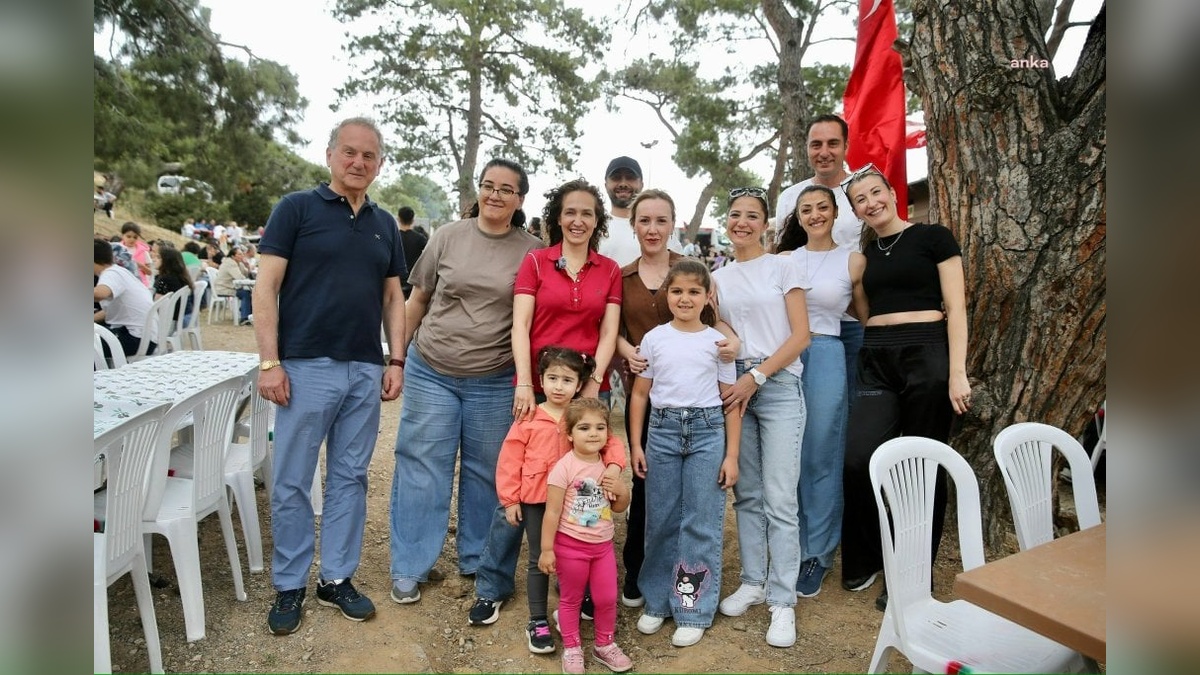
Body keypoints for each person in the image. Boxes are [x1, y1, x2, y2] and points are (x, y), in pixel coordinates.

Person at [254, 116, 407, 636]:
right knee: (293, 479)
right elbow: (265, 287)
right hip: (304, 366)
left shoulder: (385, 225)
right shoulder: (296, 209)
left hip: (364, 368)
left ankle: (336, 577)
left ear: (380, 163)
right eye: (349, 152)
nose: (358, 162)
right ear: (330, 155)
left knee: (350, 477)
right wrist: (270, 362)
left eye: (369, 155)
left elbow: (393, 296)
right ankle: (290, 583)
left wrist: (396, 360)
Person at [389, 158, 544, 604]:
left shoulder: (533, 251)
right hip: (432, 369)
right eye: (488, 185)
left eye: (506, 189)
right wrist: (396, 358)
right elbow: (418, 300)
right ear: (479, 190)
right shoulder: (447, 236)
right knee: (422, 465)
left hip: (495, 378)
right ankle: (411, 565)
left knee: (487, 472)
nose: (495, 194)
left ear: (520, 199)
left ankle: (477, 558)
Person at [838, 165, 971, 612]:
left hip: (927, 354)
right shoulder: (866, 254)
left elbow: (956, 307)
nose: (871, 202)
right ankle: (869, 557)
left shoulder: (934, 237)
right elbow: (864, 312)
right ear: (856, 211)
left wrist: (957, 372)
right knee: (858, 459)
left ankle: (912, 572)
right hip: (876, 356)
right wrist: (858, 282)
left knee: (921, 465)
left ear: (892, 193)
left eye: (876, 192)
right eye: (861, 199)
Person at [613, 189, 739, 610]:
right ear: (634, 225)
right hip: (646, 391)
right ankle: (642, 577)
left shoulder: (692, 271)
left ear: (672, 224)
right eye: (644, 220)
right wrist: (626, 350)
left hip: (698, 400)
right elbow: (609, 327)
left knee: (694, 503)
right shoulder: (621, 276)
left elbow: (716, 320)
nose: (652, 229)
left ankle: (687, 594)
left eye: (661, 220)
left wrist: (733, 341)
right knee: (650, 494)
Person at [466, 347, 625, 655]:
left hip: (576, 502)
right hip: (537, 501)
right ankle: (538, 619)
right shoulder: (528, 417)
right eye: (552, 378)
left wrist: (614, 467)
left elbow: (612, 442)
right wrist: (510, 500)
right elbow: (509, 461)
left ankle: (573, 604)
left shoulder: (581, 416)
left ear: (579, 385)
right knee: (540, 558)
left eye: (567, 380)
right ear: (541, 381)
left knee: (578, 552)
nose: (558, 386)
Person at [711, 187, 811, 648]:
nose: (742, 223)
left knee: (780, 498)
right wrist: (737, 363)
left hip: (778, 385)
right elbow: (720, 326)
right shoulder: (719, 277)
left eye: (752, 216)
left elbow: (801, 335)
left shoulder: (783, 266)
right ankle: (753, 580)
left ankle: (782, 599)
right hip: (736, 388)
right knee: (747, 494)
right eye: (735, 215)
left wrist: (758, 376)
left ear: (765, 224)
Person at [628, 259, 740, 648]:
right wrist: (636, 444)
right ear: (667, 295)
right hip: (662, 432)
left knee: (700, 520)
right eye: (677, 291)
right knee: (660, 518)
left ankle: (692, 607)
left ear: (708, 296)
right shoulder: (654, 339)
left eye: (694, 291)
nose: (685, 298)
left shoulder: (718, 343)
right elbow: (640, 394)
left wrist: (732, 455)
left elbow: (730, 403)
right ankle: (658, 600)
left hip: (708, 432)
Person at [776, 185, 868, 598]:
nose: (814, 215)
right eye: (806, 210)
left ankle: (818, 552)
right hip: (785, 356)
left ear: (835, 213)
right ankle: (790, 545)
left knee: (821, 453)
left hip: (828, 353)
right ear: (798, 217)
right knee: (787, 456)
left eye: (822, 208)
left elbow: (865, 318)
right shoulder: (784, 260)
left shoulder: (852, 261)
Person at [774, 114, 866, 406]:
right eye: (816, 144)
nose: (824, 152)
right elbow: (781, 254)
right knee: (800, 407)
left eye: (832, 143)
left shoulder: (862, 191)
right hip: (799, 323)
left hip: (851, 321)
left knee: (848, 404)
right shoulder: (791, 196)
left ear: (846, 146)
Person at [538, 398, 633, 675]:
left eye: (600, 427)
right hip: (570, 547)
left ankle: (604, 645)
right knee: (571, 599)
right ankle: (572, 647)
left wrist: (622, 491)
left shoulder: (608, 467)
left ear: (607, 433)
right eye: (584, 428)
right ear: (569, 434)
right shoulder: (564, 468)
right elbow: (552, 512)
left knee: (606, 598)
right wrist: (547, 549)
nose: (593, 433)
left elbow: (618, 507)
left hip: (602, 547)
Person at [512, 178, 622, 412]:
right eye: (570, 212)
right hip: (540, 385)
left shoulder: (610, 270)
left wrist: (594, 383)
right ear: (559, 218)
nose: (578, 221)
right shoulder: (535, 262)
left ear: (596, 220)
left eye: (587, 214)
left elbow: (609, 332)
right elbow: (521, 325)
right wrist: (524, 382)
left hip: (589, 385)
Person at [94, 237, 156, 356]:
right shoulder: (119, 271)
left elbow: (100, 294)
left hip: (135, 338)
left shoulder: (111, 274)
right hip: (145, 337)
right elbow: (109, 311)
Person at [151, 245, 196, 325]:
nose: (154, 260)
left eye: (158, 257)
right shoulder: (181, 276)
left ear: (167, 261)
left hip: (172, 321)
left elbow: (156, 305)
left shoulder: (164, 279)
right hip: (187, 316)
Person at [214, 245, 253, 325]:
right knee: (246, 293)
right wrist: (247, 279)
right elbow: (239, 278)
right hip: (224, 288)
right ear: (233, 256)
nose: (242, 256)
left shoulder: (239, 263)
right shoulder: (230, 263)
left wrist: (248, 266)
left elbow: (246, 274)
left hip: (232, 287)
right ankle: (244, 318)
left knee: (249, 292)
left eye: (242, 254)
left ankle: (246, 313)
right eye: (239, 254)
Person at [395, 206, 428, 299]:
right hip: (414, 282)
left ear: (398, 219)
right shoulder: (420, 239)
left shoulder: (393, 238)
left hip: (396, 281)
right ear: (413, 220)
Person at [119, 222, 153, 287]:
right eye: (128, 236)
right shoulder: (118, 249)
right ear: (122, 235)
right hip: (120, 283)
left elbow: (149, 272)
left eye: (135, 237)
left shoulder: (143, 251)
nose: (132, 239)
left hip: (138, 284)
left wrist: (141, 266)